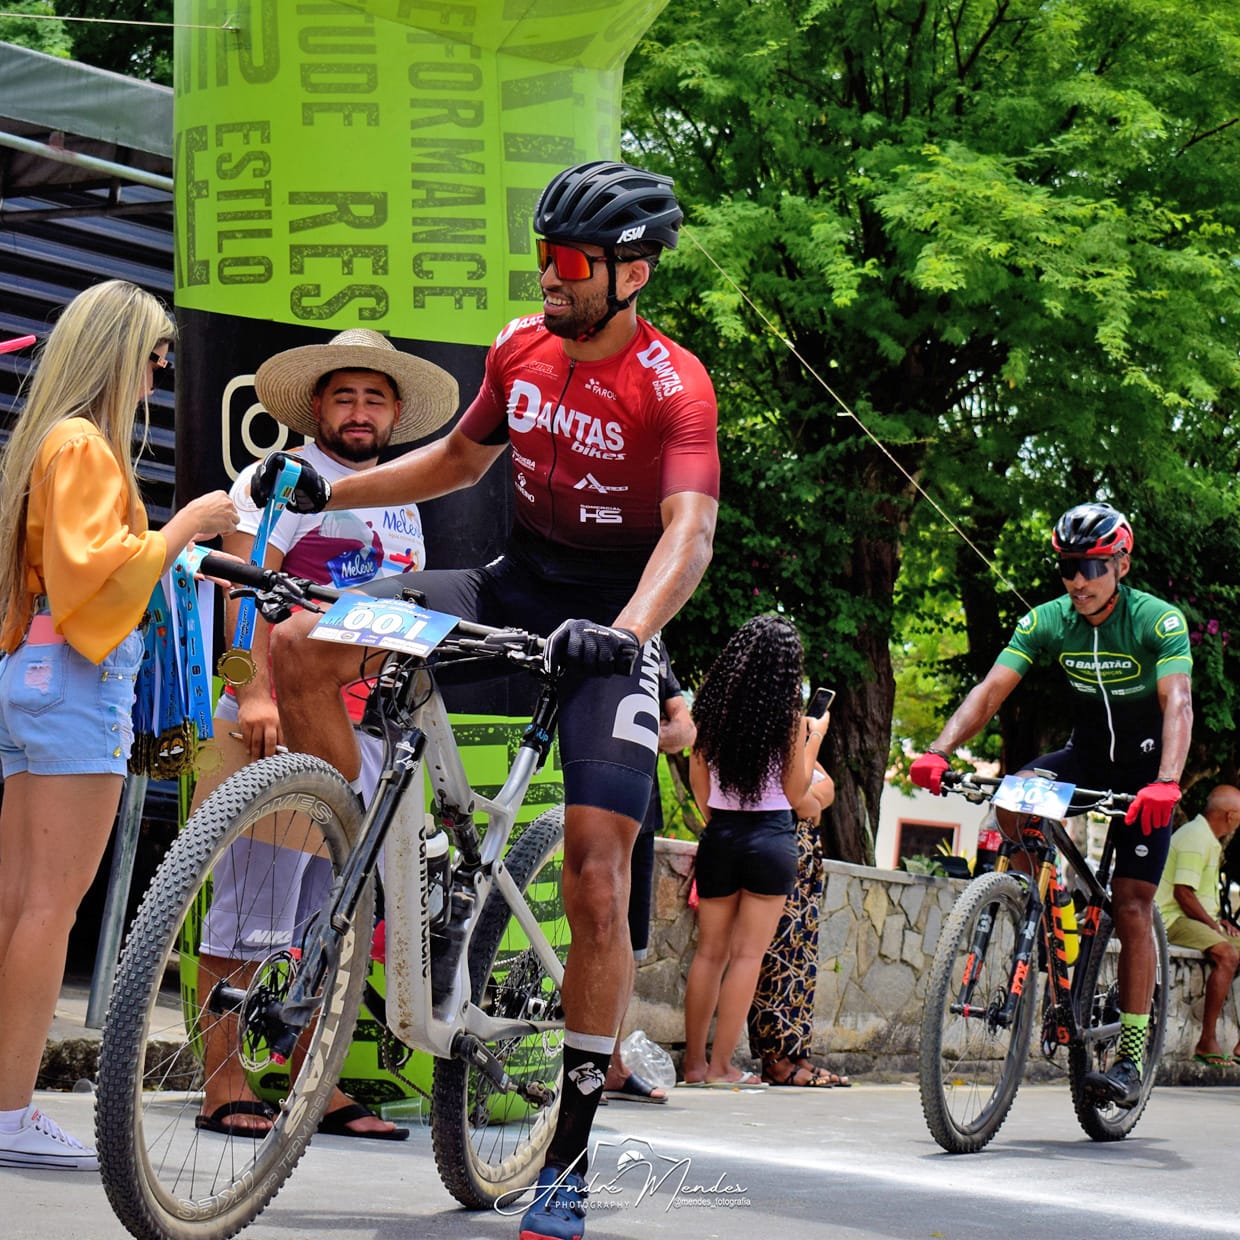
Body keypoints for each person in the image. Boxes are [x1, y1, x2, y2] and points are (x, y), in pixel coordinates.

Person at [248, 160, 718, 1239]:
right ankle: (361, 862)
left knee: (598, 875)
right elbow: (458, 460)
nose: (544, 275)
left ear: (630, 271)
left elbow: (688, 534)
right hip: (505, 591)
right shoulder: (520, 347)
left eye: (564, 259)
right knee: (306, 641)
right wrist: (332, 483)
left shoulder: (673, 383)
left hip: (610, 626)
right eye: (540, 253)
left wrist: (631, 634)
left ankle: (567, 1162)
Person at [190, 329, 458, 1140]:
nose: (359, 411)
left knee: (331, 913)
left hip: (371, 729)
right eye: (344, 395)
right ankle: (222, 1084)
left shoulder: (403, 494)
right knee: (249, 909)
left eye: (375, 397)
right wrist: (257, 691)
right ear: (316, 406)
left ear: (396, 412)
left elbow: (399, 613)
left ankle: (318, 1086)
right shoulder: (278, 479)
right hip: (278, 723)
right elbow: (246, 586)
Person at [0, 280, 237, 1171]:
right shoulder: (84, 447)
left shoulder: (45, 442)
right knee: (47, 910)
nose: (158, 374)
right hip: (75, 681)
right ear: (119, 355)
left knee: (19, 904)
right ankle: (13, 1112)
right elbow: (95, 573)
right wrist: (188, 526)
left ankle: (6, 1102)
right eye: (153, 356)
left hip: (28, 672)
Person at [910, 502, 1193, 1108]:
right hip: (1086, 757)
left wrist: (1167, 781)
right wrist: (938, 747)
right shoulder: (1049, 620)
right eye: (1067, 568)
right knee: (1010, 802)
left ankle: (1132, 1058)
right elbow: (990, 689)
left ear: (1119, 561)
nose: (1077, 581)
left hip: (1146, 771)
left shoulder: (1157, 621)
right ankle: (1040, 904)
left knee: (1133, 904)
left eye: (1089, 566)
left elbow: (1178, 704)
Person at [681, 614, 827, 1088]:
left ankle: (694, 1066)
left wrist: (720, 823)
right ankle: (723, 1067)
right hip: (769, 838)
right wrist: (815, 738)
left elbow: (699, 786)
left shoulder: (711, 712)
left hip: (720, 835)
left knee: (709, 955)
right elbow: (793, 790)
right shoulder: (785, 719)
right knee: (746, 958)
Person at [602, 644, 695, 1105]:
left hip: (639, 806)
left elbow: (684, 728)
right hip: (571, 795)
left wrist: (642, 732)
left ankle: (611, 1066)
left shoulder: (655, 644)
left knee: (627, 943)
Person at [747, 758, 849, 1087]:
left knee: (801, 961)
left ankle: (796, 1052)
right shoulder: (772, 730)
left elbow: (827, 789)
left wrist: (812, 800)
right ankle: (775, 1059)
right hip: (778, 846)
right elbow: (798, 799)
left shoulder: (799, 738)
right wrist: (811, 800)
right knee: (776, 959)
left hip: (804, 863)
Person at [1153, 784, 1240, 1067]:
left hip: (1188, 917)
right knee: (1227, 954)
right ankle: (1207, 1040)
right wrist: (1214, 928)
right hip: (1171, 918)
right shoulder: (1195, 837)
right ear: (1230, 816)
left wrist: (1218, 922)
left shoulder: (1205, 836)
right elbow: (1183, 894)